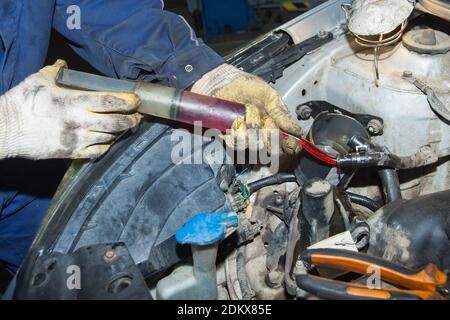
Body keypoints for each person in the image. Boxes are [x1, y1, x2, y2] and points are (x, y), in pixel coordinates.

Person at [0, 1, 302, 274]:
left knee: (59, 277)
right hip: (24, 132)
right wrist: (8, 127)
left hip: (24, 181)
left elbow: (104, 7)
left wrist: (200, 72)